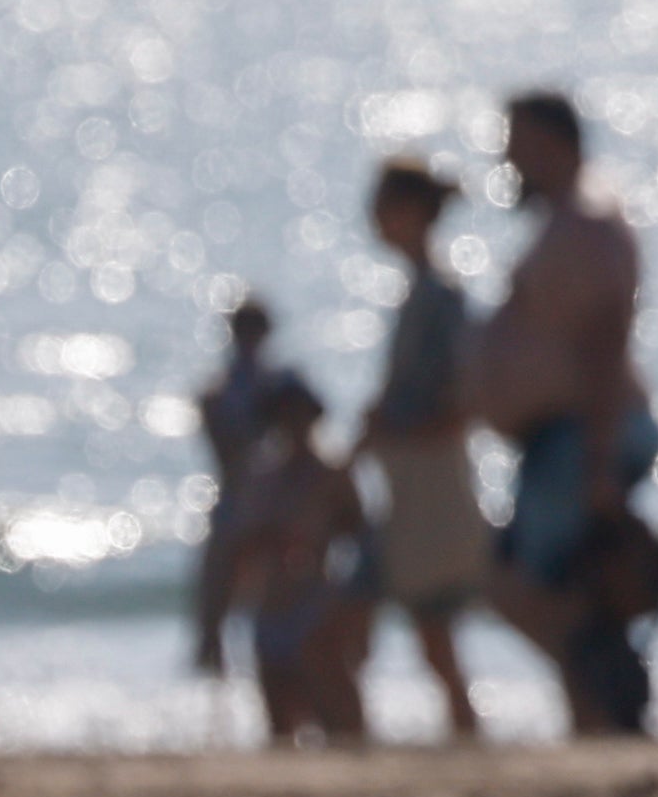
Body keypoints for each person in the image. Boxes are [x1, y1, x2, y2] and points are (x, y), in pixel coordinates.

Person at [467, 90, 658, 736]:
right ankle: (594, 711)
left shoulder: (588, 219)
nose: (507, 156)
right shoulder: (566, 219)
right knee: (552, 584)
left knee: (528, 583)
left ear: (552, 142)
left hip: (582, 435)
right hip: (566, 437)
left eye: (516, 142)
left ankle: (609, 699)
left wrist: (601, 461)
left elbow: (606, 344)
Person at [342, 159, 485, 742]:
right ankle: (452, 733)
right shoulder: (421, 293)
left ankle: (370, 738)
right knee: (424, 628)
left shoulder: (440, 296)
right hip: (411, 483)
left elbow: (458, 402)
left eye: (382, 204)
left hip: (429, 485)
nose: (373, 218)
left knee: (420, 623)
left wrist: (391, 431)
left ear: (409, 211)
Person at [225, 377, 377, 746]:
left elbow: (364, 541)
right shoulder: (262, 476)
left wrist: (358, 609)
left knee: (339, 716)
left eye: (300, 415)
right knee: (279, 721)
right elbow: (241, 547)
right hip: (270, 603)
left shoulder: (330, 475)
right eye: (284, 416)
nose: (293, 424)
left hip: (316, 603)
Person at [188, 296, 291, 678]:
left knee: (270, 605)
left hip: (267, 503)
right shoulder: (224, 391)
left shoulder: (275, 386)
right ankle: (217, 680)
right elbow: (227, 451)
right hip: (241, 499)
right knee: (216, 605)